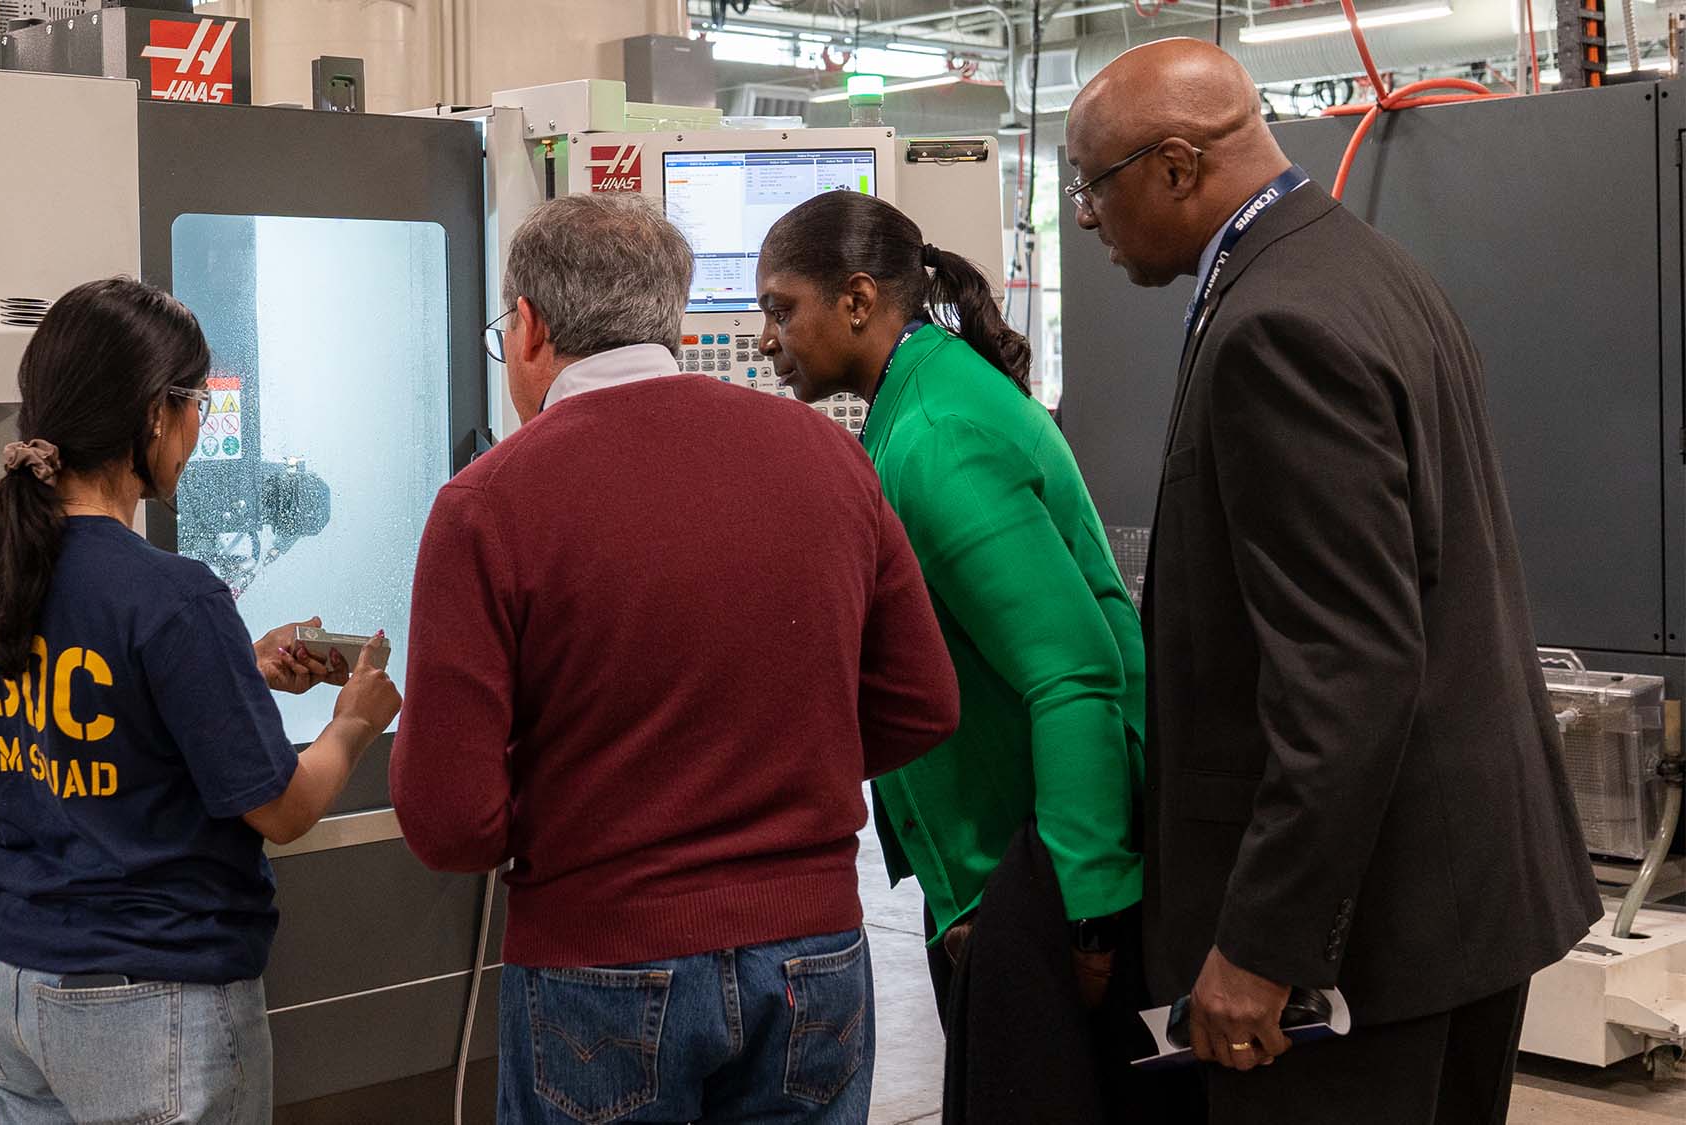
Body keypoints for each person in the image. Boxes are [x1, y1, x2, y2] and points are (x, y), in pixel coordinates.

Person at [1064, 39, 1601, 1122]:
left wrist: (1265, 945)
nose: (1084, 218)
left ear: (1175, 167)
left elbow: (1347, 671)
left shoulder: (1275, 323)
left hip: (1364, 947)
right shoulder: (1368, 270)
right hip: (1457, 900)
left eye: (1092, 185)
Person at [389, 193, 960, 1125]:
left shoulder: (487, 504)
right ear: (673, 317)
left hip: (599, 959)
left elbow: (451, 820)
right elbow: (924, 701)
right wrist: (784, 767)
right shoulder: (830, 457)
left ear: (529, 326)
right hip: (814, 954)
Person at [0, 277, 402, 1125]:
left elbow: (103, 705)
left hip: (16, 986)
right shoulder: (173, 595)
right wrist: (354, 721)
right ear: (153, 417)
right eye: (195, 402)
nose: (199, 426)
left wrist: (238, 667)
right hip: (153, 1000)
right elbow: (283, 808)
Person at [756, 191, 1152, 1120]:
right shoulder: (920, 399)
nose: (767, 340)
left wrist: (1085, 917)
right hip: (1005, 870)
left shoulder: (935, 438)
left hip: (1046, 873)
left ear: (858, 300)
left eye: (781, 309)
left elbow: (1074, 673)